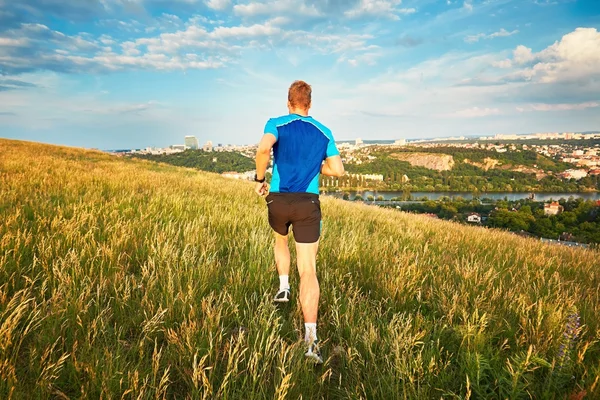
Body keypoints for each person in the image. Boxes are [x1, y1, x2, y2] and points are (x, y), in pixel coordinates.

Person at [254, 80, 344, 364]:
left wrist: (259, 179)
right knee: (308, 268)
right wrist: (315, 164)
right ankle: (310, 340)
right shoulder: (323, 131)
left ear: (288, 102)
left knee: (280, 240)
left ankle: (283, 287)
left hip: (278, 200)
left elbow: (262, 151)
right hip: (308, 202)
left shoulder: (276, 123)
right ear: (310, 104)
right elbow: (338, 170)